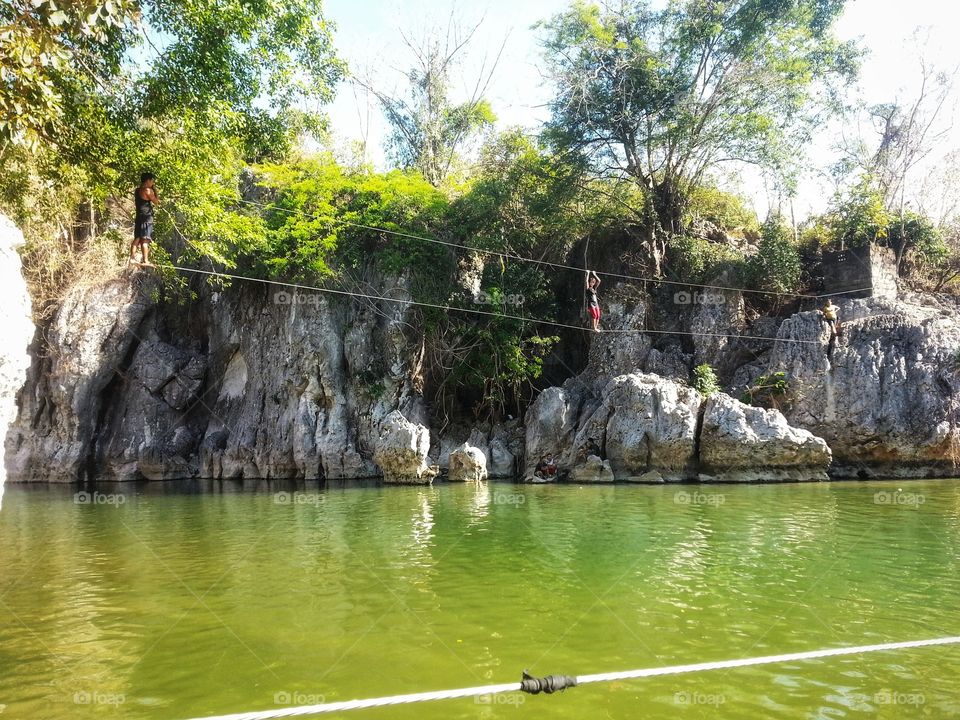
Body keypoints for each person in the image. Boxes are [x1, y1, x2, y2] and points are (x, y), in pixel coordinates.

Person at [131, 172, 159, 267]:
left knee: (137, 238)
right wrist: (155, 190)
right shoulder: (148, 190)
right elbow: (156, 202)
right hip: (146, 217)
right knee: (145, 239)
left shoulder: (137, 190)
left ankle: (132, 258)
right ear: (148, 180)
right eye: (152, 181)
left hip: (139, 216)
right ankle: (145, 260)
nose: (153, 183)